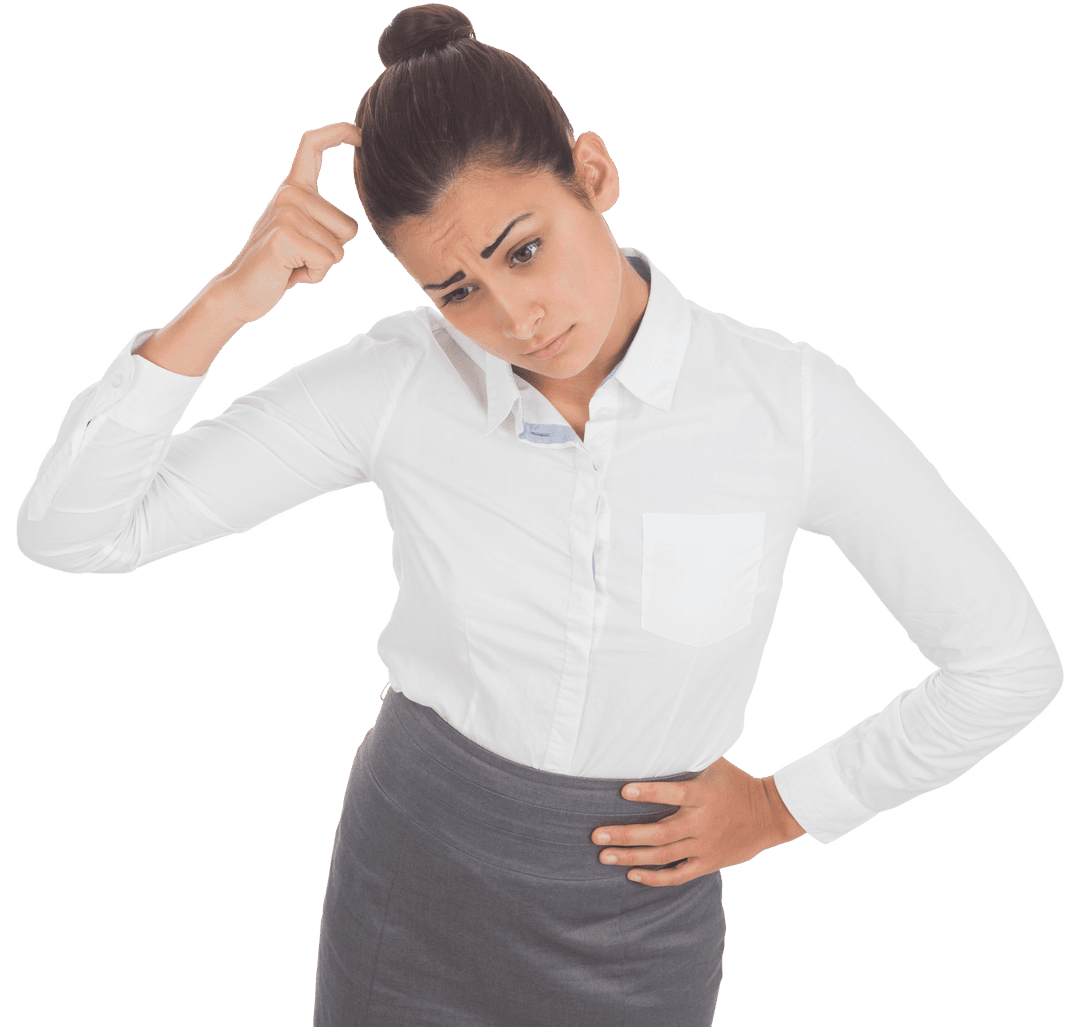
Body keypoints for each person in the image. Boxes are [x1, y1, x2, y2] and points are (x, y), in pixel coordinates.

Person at [13, 4, 1064, 1025]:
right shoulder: (396, 383)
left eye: (523, 249)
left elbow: (1009, 663)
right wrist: (231, 298)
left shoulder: (787, 404)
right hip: (409, 880)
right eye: (455, 292)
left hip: (638, 925)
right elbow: (75, 534)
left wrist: (789, 806)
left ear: (594, 177)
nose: (513, 318)